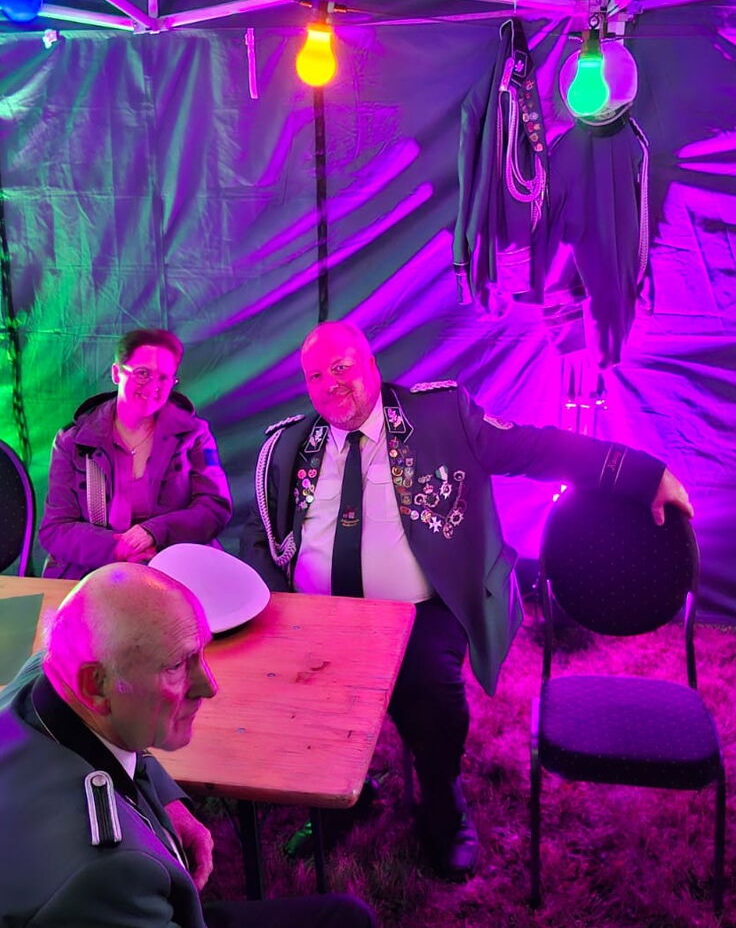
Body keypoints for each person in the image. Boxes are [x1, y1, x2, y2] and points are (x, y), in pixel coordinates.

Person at [241, 320, 694, 881]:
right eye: (315, 375)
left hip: (419, 610)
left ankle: (442, 799)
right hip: (324, 617)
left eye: (341, 367)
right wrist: (281, 606)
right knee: (305, 699)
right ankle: (344, 798)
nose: (331, 384)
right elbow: (260, 529)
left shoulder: (442, 416)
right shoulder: (287, 446)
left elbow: (535, 447)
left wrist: (639, 473)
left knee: (433, 697)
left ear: (371, 364)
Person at [0, 563, 376, 928]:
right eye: (176, 666)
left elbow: (107, 735)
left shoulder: (46, 679)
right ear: (96, 686)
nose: (208, 686)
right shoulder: (108, 870)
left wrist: (167, 801)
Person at [40, 327, 232, 578]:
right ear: (116, 373)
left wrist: (155, 531)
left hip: (175, 567)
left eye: (164, 378)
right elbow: (55, 529)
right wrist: (118, 548)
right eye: (142, 373)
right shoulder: (73, 440)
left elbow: (214, 508)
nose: (153, 386)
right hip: (94, 569)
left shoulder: (195, 434)